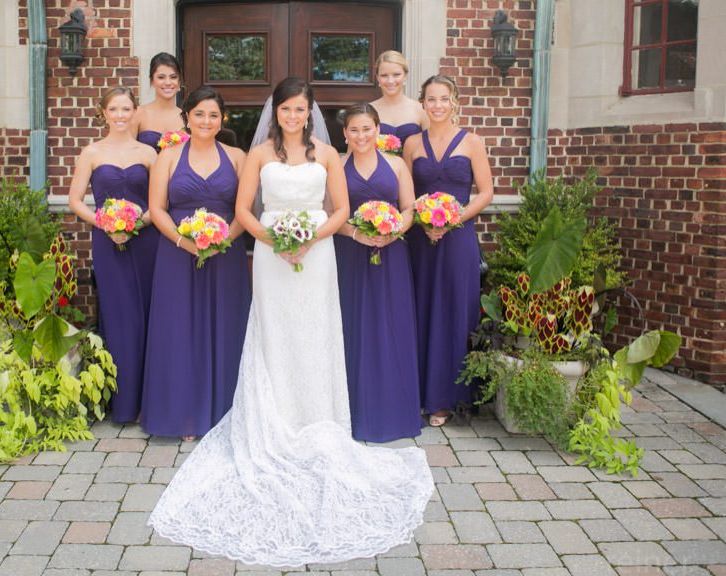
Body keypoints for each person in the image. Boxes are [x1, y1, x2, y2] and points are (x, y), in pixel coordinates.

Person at [147, 77, 433, 567]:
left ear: (310, 111)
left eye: (301, 109)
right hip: (271, 253)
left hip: (317, 256)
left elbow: (340, 209)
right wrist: (276, 241)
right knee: (275, 337)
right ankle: (274, 421)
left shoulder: (326, 155)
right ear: (276, 112)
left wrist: (308, 239)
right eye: (286, 109)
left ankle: (317, 419)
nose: (293, 116)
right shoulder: (257, 155)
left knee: (315, 336)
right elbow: (242, 209)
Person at [140, 86, 251, 442]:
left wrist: (224, 240)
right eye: (199, 114)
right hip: (176, 253)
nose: (206, 121)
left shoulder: (237, 157)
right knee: (179, 328)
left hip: (225, 254)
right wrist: (183, 241)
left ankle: (224, 412)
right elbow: (156, 208)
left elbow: (245, 209)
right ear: (186, 116)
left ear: (223, 119)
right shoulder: (168, 156)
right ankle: (183, 413)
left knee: (225, 326)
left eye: (214, 115)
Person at [403, 75, 494, 427]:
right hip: (420, 240)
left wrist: (452, 219)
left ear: (454, 101)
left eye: (443, 99)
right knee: (421, 310)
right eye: (430, 99)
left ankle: (447, 397)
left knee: (454, 312)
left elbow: (485, 192)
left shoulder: (472, 142)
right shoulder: (412, 143)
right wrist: (423, 221)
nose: (437, 105)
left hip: (457, 239)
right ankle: (419, 392)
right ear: (423, 103)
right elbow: (406, 190)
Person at [68, 86, 159, 423]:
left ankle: (148, 400)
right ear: (103, 113)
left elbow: (159, 202)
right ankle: (121, 403)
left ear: (135, 112)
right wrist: (105, 223)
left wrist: (135, 223)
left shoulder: (149, 154)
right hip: (107, 243)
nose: (121, 115)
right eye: (114, 109)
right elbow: (76, 200)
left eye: (126, 109)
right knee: (120, 316)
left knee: (147, 314)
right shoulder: (91, 152)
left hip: (146, 241)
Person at [334, 103, 421, 442]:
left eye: (367, 129)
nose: (361, 136)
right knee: (355, 327)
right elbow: (332, 214)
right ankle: (355, 410)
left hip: (392, 254)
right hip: (351, 255)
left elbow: (409, 209)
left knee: (390, 325)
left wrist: (393, 230)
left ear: (378, 130)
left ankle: (393, 410)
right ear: (345, 134)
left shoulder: (397, 164)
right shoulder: (337, 167)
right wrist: (357, 233)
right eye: (354, 130)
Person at [370, 50, 429, 146]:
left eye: (396, 74)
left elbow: (431, 147)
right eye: (384, 75)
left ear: (405, 76)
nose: (390, 81)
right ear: (377, 78)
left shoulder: (421, 110)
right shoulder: (368, 110)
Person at [132, 52, 185, 151]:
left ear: (179, 81)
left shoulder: (186, 118)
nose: (168, 82)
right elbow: (128, 153)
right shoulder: (138, 114)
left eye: (173, 77)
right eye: (161, 77)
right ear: (152, 80)